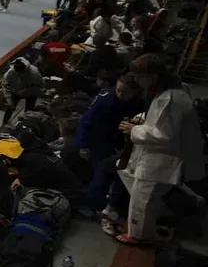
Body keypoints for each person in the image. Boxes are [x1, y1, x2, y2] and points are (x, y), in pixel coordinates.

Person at [108, 54, 206, 244]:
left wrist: (134, 129)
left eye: (139, 76)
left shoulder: (169, 98)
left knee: (142, 198)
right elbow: (166, 124)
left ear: (153, 75)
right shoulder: (172, 90)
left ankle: (139, 236)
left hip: (163, 157)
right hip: (163, 154)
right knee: (130, 176)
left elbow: (165, 135)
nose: (136, 80)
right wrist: (145, 121)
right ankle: (187, 202)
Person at [76, 74, 144, 213]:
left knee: (120, 177)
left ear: (135, 92)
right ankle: (94, 206)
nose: (120, 94)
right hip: (100, 141)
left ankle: (115, 205)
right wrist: (83, 145)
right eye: (118, 90)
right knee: (101, 176)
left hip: (122, 142)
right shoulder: (104, 100)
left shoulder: (139, 103)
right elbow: (87, 122)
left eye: (125, 93)